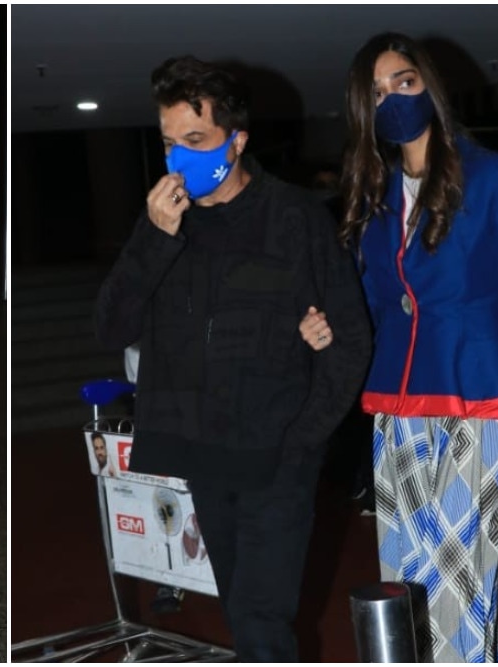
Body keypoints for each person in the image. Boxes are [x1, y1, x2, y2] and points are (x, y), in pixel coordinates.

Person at [299, 33, 498, 662]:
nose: (391, 97)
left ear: (431, 86)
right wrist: (327, 328)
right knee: (412, 583)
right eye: (375, 91)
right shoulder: (372, 203)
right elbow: (371, 310)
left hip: (488, 414)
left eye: (403, 81)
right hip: (399, 423)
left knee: (472, 589)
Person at [94, 55, 372, 662]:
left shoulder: (295, 218)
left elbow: (349, 336)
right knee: (243, 612)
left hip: (277, 455)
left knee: (261, 619)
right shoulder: (166, 224)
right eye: (169, 143)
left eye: (196, 140)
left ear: (237, 140)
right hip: (204, 453)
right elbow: (110, 324)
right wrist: (153, 235)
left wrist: (304, 437)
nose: (179, 157)